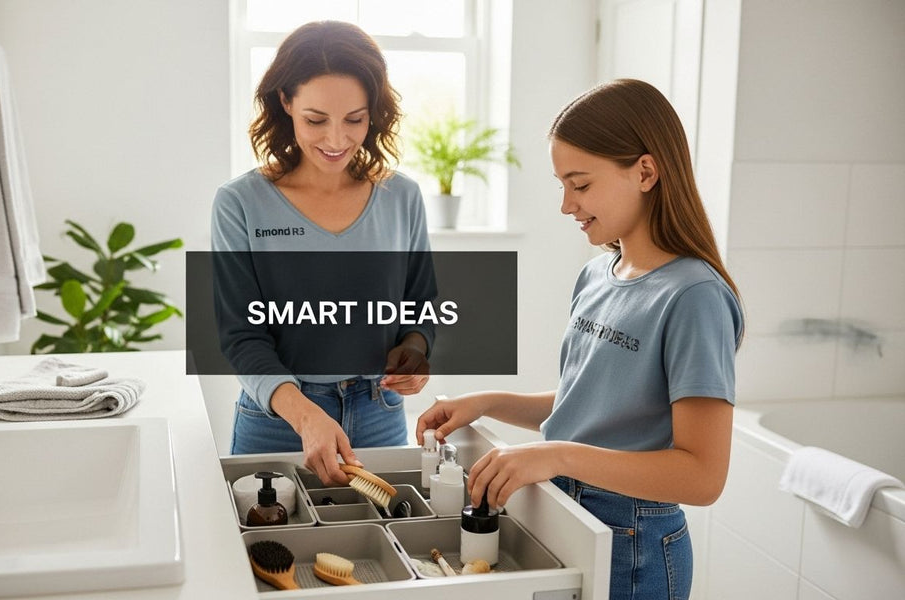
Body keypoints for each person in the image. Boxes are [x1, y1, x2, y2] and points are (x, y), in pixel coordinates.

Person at [416, 79, 743, 600]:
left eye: (581, 184)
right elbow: (592, 406)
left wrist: (556, 456)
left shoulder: (694, 297)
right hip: (570, 516)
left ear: (646, 172)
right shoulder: (596, 275)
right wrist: (487, 402)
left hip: (634, 544)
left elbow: (703, 476)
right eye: (562, 185)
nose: (567, 205)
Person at [211, 21, 434, 487]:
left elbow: (420, 306)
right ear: (285, 102)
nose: (336, 140)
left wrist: (415, 352)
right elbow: (240, 335)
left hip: (380, 413)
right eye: (316, 120)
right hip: (277, 421)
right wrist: (304, 414)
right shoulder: (240, 203)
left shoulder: (402, 197)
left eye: (355, 119)